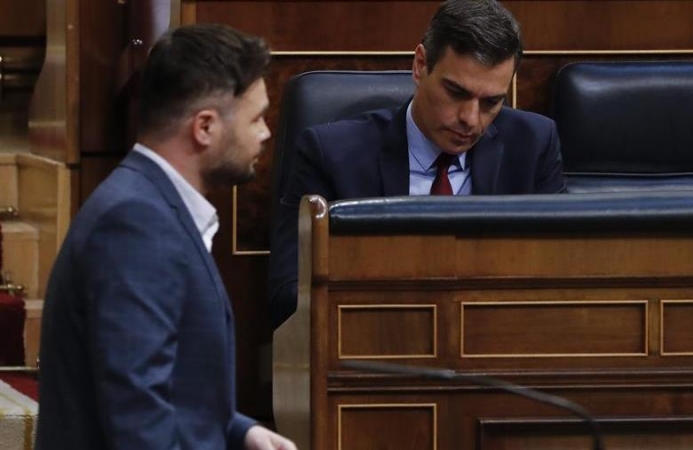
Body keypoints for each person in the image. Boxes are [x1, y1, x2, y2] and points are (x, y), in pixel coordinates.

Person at [35, 24, 296, 450]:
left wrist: (239, 430)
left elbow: (171, 383)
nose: (265, 132)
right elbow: (136, 415)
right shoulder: (136, 224)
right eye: (255, 118)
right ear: (204, 127)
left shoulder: (150, 206)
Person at [268, 0, 566, 329]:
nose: (470, 119)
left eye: (491, 102)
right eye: (455, 92)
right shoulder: (331, 155)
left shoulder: (533, 144)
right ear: (420, 65)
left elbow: (559, 278)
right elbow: (288, 293)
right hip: (374, 347)